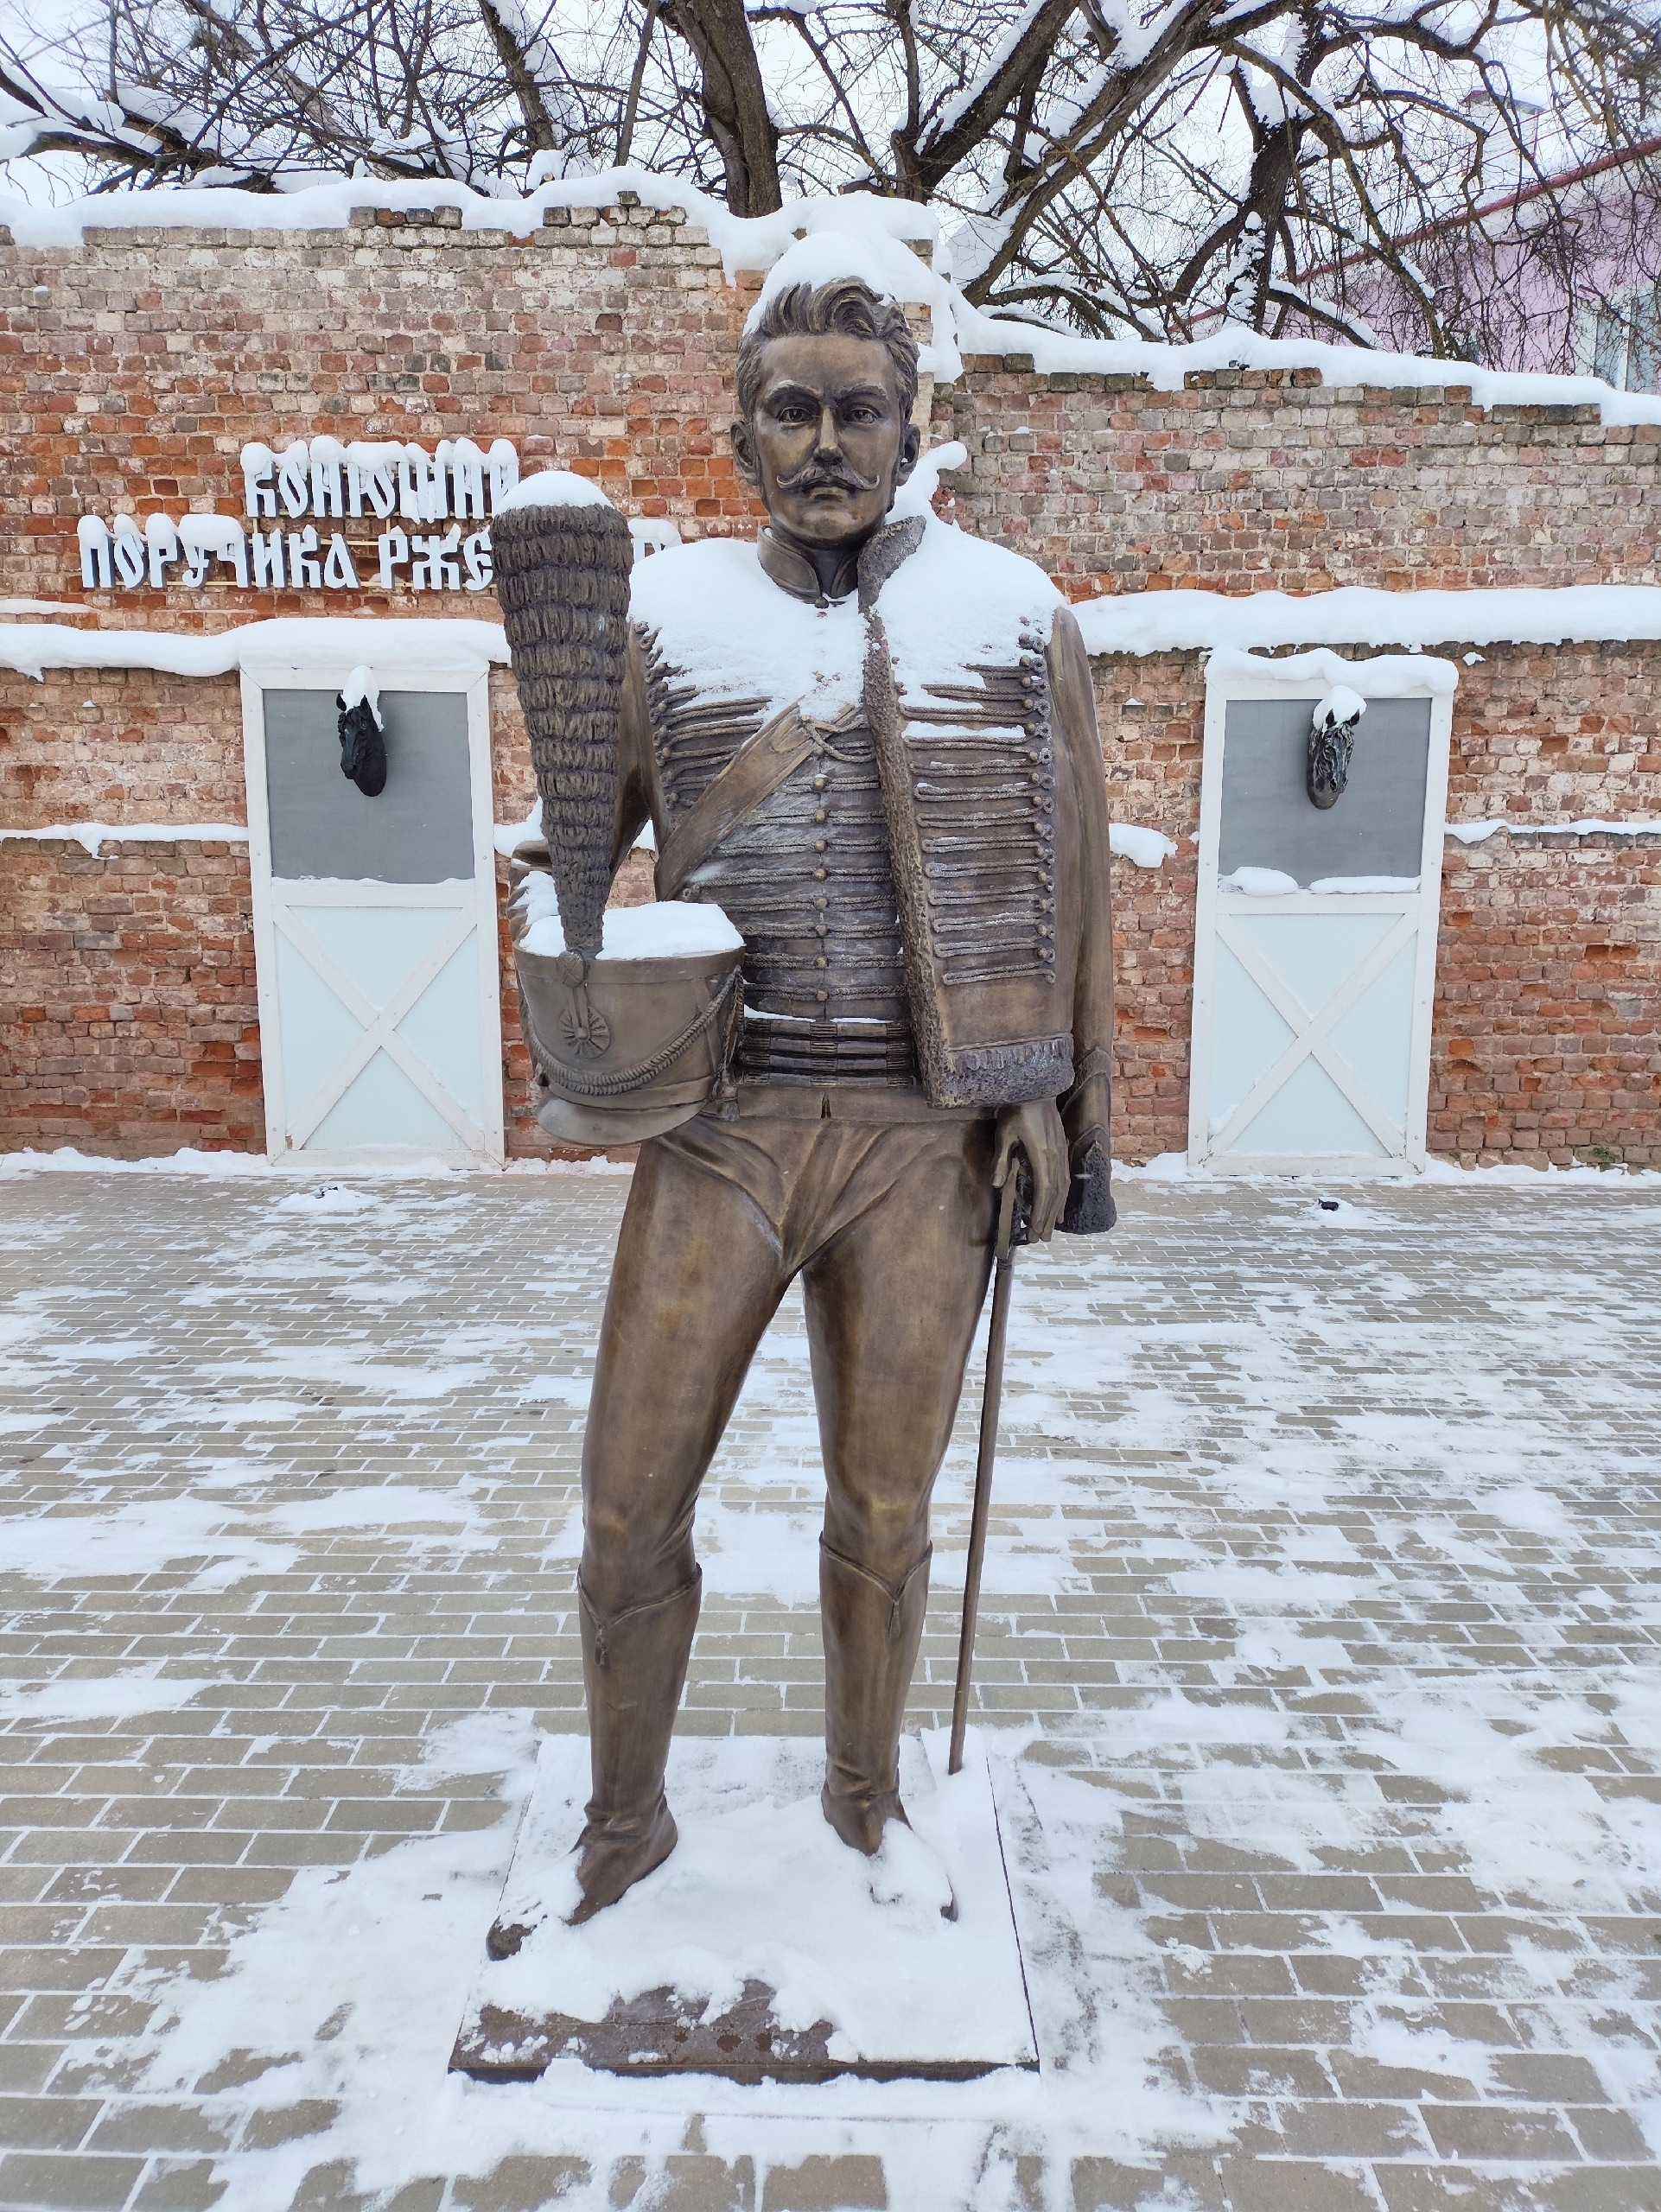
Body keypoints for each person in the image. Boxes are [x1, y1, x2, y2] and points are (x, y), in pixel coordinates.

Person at [542, 272, 1115, 1929]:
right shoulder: (664, 618)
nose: (822, 443)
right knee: (625, 1505)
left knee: (883, 1503)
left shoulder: (1011, 615)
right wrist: (559, 941)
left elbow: (1077, 889)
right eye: (788, 411)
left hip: (926, 1141)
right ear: (740, 439)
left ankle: (866, 1799)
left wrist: (1064, 1108)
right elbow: (577, 854)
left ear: (910, 431)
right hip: (719, 1128)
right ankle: (623, 1818)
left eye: (857, 410)